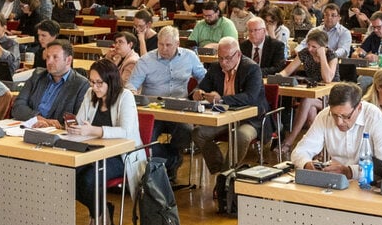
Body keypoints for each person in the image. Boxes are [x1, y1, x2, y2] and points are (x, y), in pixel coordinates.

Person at [67, 59, 145, 225]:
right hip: (92, 151)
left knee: (88, 180)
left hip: (121, 155)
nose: (95, 87)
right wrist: (73, 128)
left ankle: (98, 219)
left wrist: (94, 130)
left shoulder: (125, 96)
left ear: (111, 81)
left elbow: (127, 132)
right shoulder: (89, 94)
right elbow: (80, 121)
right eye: (92, 82)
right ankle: (102, 212)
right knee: (67, 175)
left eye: (99, 83)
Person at [127, 25, 207, 180]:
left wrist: (199, 90)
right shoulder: (145, 60)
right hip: (153, 111)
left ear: (177, 44)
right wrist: (131, 92)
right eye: (160, 44)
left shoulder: (189, 57)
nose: (163, 48)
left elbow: (205, 79)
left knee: (187, 133)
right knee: (146, 141)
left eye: (168, 45)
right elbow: (131, 85)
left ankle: (171, 160)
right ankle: (171, 160)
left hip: (179, 110)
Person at [191, 37, 268, 177]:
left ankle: (224, 177)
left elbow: (250, 97)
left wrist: (222, 99)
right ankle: (222, 171)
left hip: (251, 118)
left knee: (241, 135)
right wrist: (198, 93)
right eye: (220, 58)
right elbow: (201, 87)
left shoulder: (252, 68)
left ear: (238, 54)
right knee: (198, 133)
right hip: (223, 116)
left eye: (227, 58)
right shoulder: (215, 67)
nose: (223, 63)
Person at [291, 82, 382, 180]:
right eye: (335, 115)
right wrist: (307, 164)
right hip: (334, 180)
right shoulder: (325, 115)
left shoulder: (375, 117)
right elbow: (299, 152)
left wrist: (350, 171)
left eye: (346, 116)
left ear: (359, 107)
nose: (339, 122)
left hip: (366, 182)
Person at [276, 29, 338, 156]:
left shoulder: (331, 55)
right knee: (310, 113)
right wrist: (278, 76)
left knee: (307, 101)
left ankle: (289, 141)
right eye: (308, 45)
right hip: (314, 93)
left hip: (331, 98)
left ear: (323, 46)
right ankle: (319, 149)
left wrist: (322, 56)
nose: (310, 49)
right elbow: (287, 71)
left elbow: (327, 79)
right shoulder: (305, 53)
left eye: (314, 47)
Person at [11, 40, 90, 127]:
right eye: (48, 57)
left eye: (55, 57)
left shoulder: (81, 85)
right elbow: (17, 107)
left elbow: (78, 120)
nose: (49, 62)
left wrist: (51, 125)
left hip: (57, 134)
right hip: (30, 127)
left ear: (68, 60)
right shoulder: (37, 76)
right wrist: (39, 119)